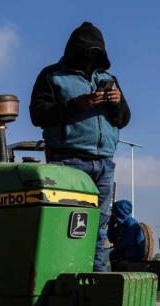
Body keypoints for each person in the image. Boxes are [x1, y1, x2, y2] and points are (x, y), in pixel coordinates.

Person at [29, 22, 130, 272]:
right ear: (74, 50)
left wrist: (116, 103)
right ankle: (62, 277)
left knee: (100, 226)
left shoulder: (109, 79)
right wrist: (78, 104)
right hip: (68, 161)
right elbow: (38, 115)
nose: (90, 56)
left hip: (104, 163)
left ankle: (96, 283)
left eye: (95, 52)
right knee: (67, 224)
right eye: (86, 51)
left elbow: (123, 119)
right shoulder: (51, 75)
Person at [108, 200, 147, 264]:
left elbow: (126, 243)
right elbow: (111, 239)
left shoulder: (131, 224)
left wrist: (113, 251)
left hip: (132, 257)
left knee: (108, 256)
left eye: (113, 211)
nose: (112, 213)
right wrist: (111, 223)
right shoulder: (121, 224)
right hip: (125, 255)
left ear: (120, 212)